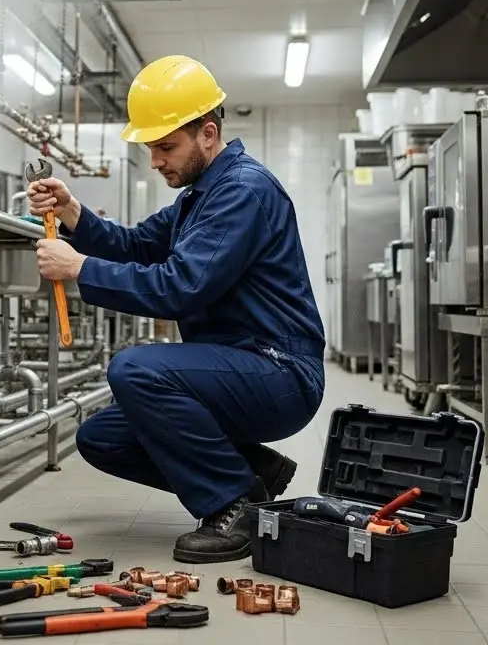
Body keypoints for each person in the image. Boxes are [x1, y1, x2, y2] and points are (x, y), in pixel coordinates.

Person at [29, 55, 325, 564]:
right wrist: (73, 213)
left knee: (135, 370)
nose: (156, 160)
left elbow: (177, 287)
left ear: (208, 134)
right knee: (101, 438)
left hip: (279, 373)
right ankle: (254, 471)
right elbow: (139, 244)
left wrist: (78, 269)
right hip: (237, 366)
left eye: (167, 147)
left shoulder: (242, 191)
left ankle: (234, 504)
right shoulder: (200, 195)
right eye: (152, 148)